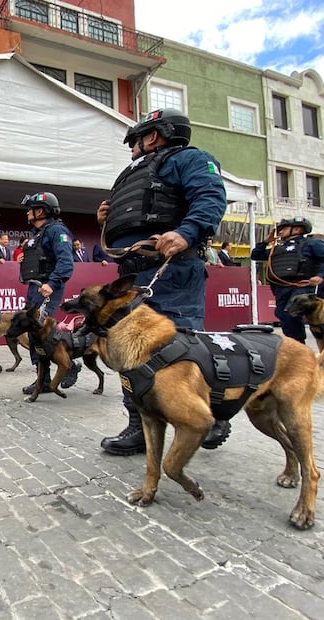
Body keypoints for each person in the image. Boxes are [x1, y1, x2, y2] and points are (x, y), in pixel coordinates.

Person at [97, 108, 229, 455]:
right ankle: (139, 427)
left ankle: (212, 414)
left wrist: (187, 232)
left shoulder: (189, 159)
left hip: (173, 269)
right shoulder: (133, 172)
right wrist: (108, 220)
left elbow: (211, 199)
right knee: (129, 351)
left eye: (135, 140)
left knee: (184, 349)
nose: (132, 148)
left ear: (153, 135)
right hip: (132, 275)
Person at [251, 216, 324, 340]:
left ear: (297, 230)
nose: (280, 231)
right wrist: (266, 241)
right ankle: (295, 345)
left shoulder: (311, 244)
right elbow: (255, 255)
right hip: (281, 289)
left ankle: (299, 345)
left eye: (284, 228)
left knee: (292, 313)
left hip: (301, 287)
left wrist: (321, 276)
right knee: (282, 315)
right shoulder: (278, 248)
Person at [19, 192, 74, 394]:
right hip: (34, 288)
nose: (27, 213)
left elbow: (66, 262)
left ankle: (68, 364)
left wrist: (52, 283)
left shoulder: (57, 230)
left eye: (30, 209)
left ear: (40, 211)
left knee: (44, 334)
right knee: (35, 335)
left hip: (47, 288)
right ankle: (43, 378)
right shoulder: (37, 235)